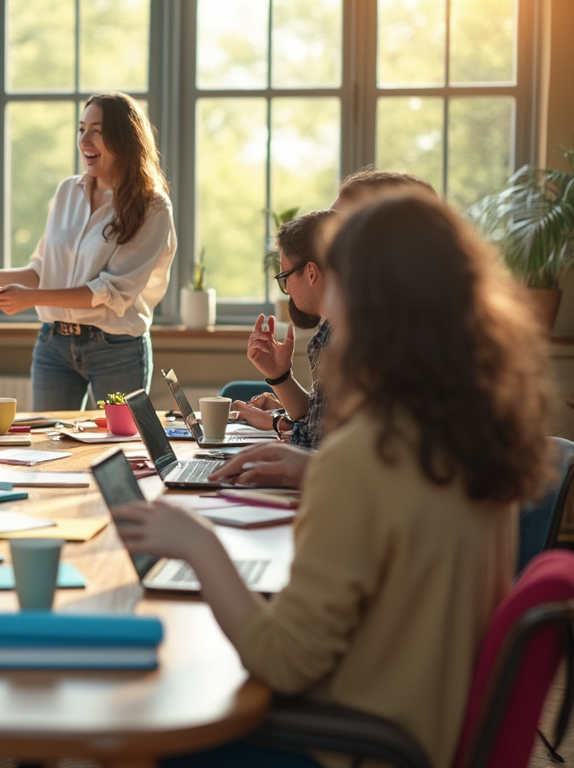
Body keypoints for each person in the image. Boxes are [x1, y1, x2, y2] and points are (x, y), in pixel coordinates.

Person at [120, 193, 554, 768]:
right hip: (423, 731)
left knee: (148, 723)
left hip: (355, 746)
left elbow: (281, 659)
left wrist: (196, 543)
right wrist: (319, 468)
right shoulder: (472, 435)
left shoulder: (366, 456)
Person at [0, 91, 176, 409]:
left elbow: (109, 291)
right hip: (53, 344)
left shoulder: (153, 207)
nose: (84, 140)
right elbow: (42, 270)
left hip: (116, 349)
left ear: (125, 139)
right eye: (82, 129)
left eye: (97, 130)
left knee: (118, 449)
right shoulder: (68, 191)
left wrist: (29, 299)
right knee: (49, 449)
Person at [215, 168, 436, 487]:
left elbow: (333, 457)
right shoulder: (397, 324)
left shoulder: (386, 340)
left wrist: (286, 445)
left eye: (338, 226)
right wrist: (280, 381)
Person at [232, 209, 337, 448]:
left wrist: (276, 424)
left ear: (311, 273)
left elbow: (316, 449)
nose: (286, 290)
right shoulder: (340, 330)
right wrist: (280, 376)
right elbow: (320, 425)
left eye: (285, 278)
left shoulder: (337, 339)